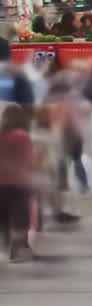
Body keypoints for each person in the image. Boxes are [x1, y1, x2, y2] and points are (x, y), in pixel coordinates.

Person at [0, 104, 36, 261]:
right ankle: (18, 249)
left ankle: (5, 246)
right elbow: (29, 160)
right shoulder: (22, 136)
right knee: (19, 216)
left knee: (4, 216)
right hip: (18, 182)